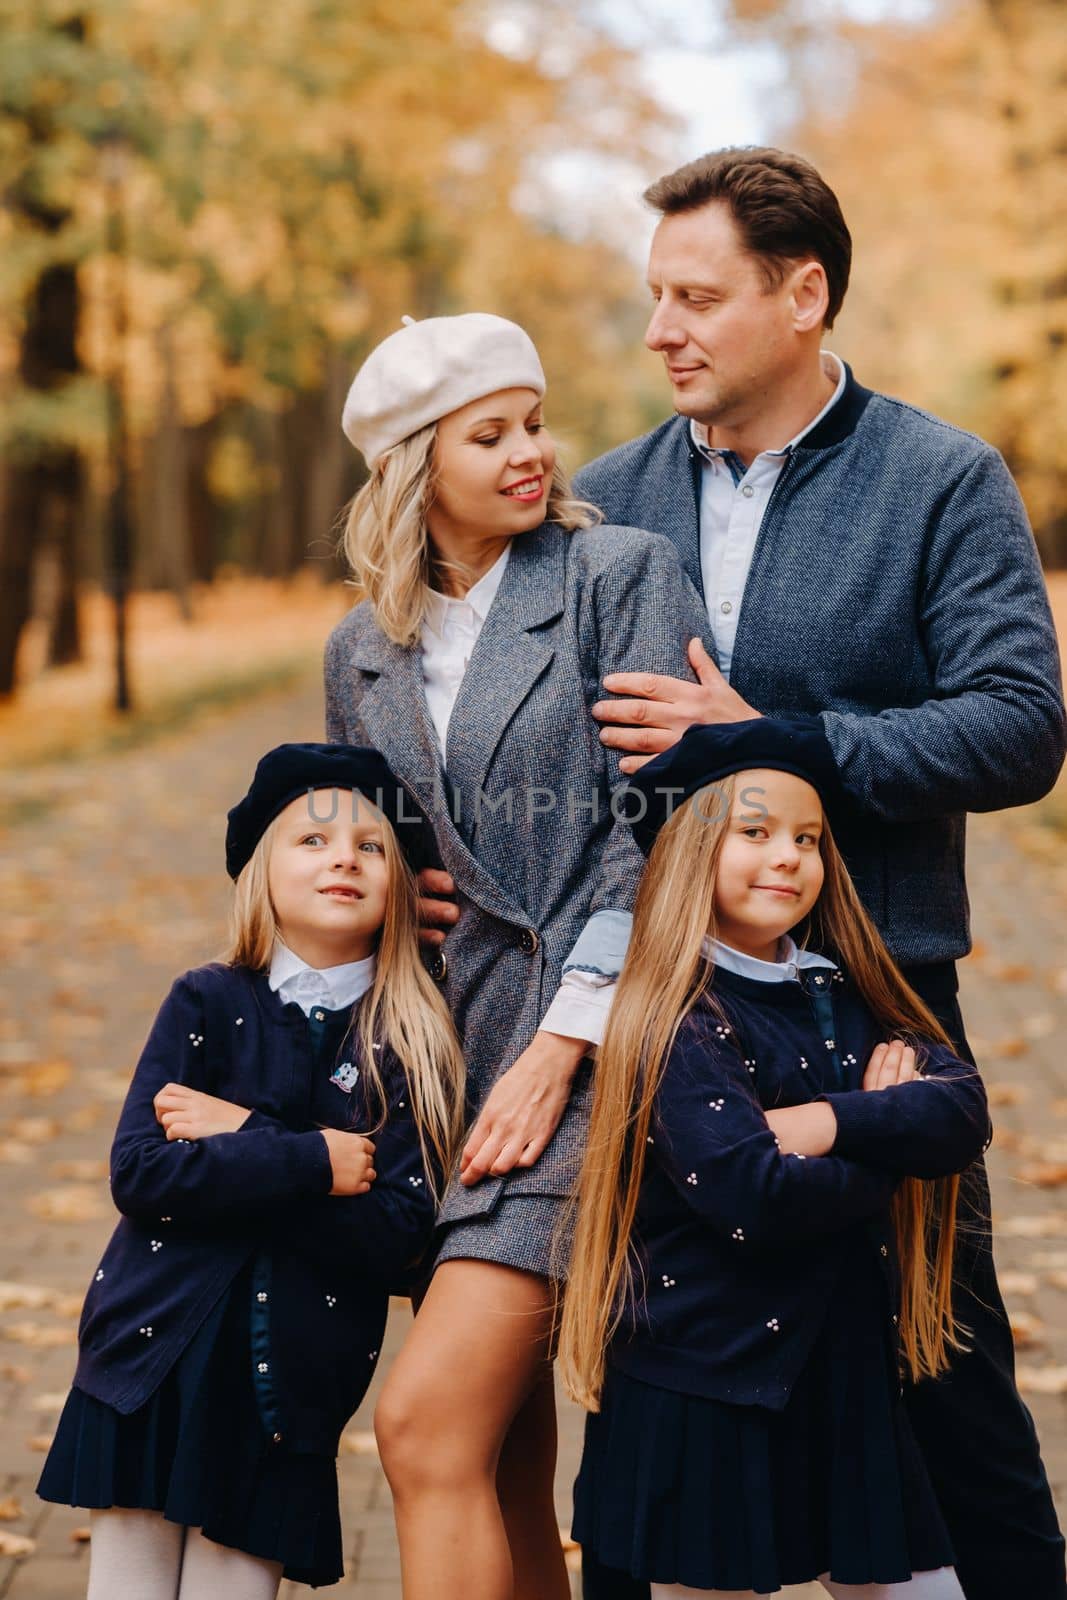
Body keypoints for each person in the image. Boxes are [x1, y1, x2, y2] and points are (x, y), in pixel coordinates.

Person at [568, 148, 1067, 1600]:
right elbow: (537, 741)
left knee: (935, 1351)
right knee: (648, 1343)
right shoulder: (606, 498)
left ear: (802, 293)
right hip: (662, 998)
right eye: (653, 295)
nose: (660, 328)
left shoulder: (937, 478)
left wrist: (772, 740)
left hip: (879, 982)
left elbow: (1017, 725)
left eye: (696, 296)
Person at [325, 312, 710, 1600]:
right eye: (488, 434)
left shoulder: (617, 577)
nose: (530, 453)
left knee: (422, 1424)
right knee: (497, 1460)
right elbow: (359, 839)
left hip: (583, 1046)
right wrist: (389, 899)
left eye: (532, 421)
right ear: (408, 469)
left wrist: (561, 1048)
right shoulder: (359, 649)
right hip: (443, 1064)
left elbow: (653, 839)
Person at [559, 718, 991, 1599]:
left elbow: (960, 1112)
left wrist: (832, 1122)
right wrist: (883, 1138)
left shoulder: (841, 988)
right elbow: (750, 1191)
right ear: (688, 853)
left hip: (838, 1370)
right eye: (753, 833)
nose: (787, 856)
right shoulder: (669, 1015)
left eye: (806, 838)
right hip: (704, 1380)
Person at [37, 742, 465, 1599]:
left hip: (287, 1394)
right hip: (150, 1361)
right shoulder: (205, 999)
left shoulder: (413, 1042)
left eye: (370, 846)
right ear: (259, 874)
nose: (342, 855)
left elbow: (395, 1239)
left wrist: (237, 1136)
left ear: (401, 890)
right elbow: (145, 1176)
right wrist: (311, 1159)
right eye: (311, 841)